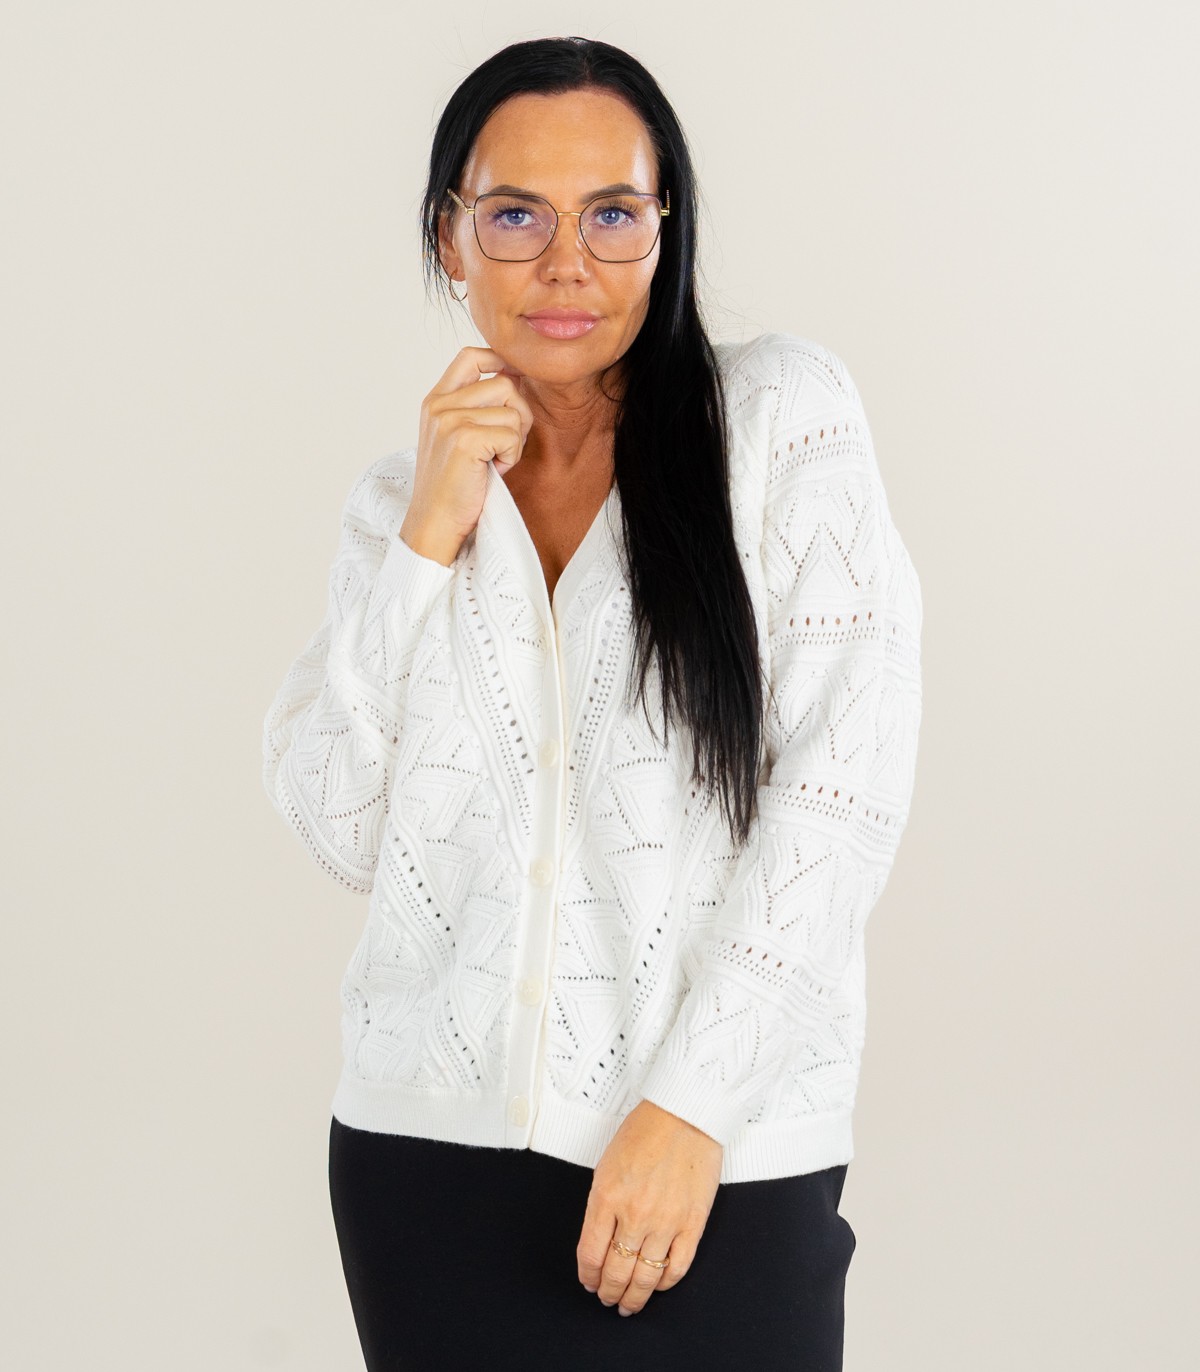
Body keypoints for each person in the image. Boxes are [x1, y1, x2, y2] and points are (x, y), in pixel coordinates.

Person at [261, 34, 922, 1372]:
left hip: (713, 1163)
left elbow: (842, 791)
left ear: (665, 232)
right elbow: (338, 827)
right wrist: (430, 537)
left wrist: (693, 1109)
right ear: (449, 238)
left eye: (613, 214)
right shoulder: (399, 506)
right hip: (426, 1168)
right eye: (516, 216)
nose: (568, 262)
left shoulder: (780, 423)